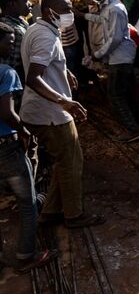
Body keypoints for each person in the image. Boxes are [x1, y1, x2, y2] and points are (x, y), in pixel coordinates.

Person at [21, 0, 100, 228]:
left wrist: (64, 71)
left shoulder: (39, 30)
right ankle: (74, 215)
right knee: (72, 161)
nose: (70, 13)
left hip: (42, 110)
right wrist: (63, 101)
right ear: (50, 12)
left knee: (64, 161)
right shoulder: (46, 37)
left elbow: (46, 62)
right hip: (50, 113)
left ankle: (51, 211)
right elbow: (33, 77)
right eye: (66, 9)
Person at [0, 21, 57, 273]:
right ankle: (26, 254)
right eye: (9, 42)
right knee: (27, 201)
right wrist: (23, 130)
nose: (11, 46)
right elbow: (7, 113)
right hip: (6, 147)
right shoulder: (5, 72)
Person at [87, 0, 139, 142]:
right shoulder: (108, 6)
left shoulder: (115, 8)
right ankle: (138, 121)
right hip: (119, 57)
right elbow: (103, 20)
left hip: (119, 58)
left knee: (115, 96)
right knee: (125, 93)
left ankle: (132, 129)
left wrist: (97, 55)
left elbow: (115, 38)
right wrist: (84, 16)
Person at [0, 0, 31, 80]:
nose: (30, 3)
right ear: (12, 4)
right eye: (26, 1)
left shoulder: (21, 21)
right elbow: (9, 63)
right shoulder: (9, 29)